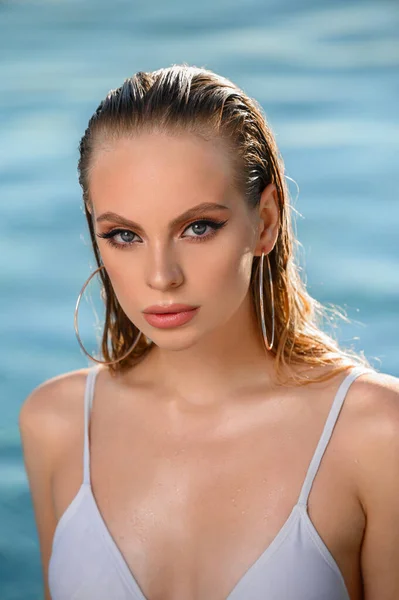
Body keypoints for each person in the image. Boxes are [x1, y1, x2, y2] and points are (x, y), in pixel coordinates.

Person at [19, 64, 399, 600]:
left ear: (265, 221)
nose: (161, 276)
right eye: (124, 234)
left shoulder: (376, 434)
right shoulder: (54, 425)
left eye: (198, 227)